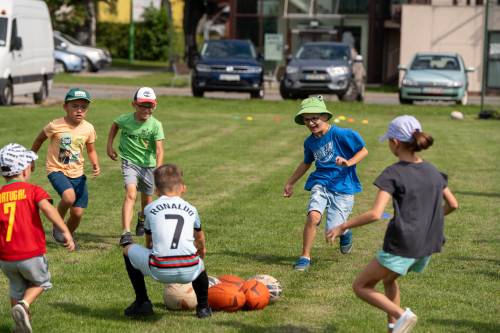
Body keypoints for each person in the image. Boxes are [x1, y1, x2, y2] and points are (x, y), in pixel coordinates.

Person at [326, 115, 458, 333]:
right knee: (389, 280)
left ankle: (400, 315)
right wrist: (432, 218)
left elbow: (376, 214)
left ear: (395, 143)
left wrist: (342, 226)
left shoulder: (393, 173)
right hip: (427, 244)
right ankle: (393, 328)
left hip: (403, 243)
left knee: (361, 286)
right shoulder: (433, 171)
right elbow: (453, 204)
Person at [283, 95, 368, 271]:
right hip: (321, 183)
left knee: (333, 230)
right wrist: (290, 182)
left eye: (315, 118)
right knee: (313, 217)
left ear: (325, 117)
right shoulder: (310, 142)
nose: (311, 123)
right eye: (307, 120)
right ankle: (305, 257)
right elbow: (307, 162)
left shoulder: (341, 134)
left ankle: (345, 231)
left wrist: (348, 162)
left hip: (343, 186)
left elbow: (363, 151)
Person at [0, 143, 75, 333]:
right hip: (30, 253)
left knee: (16, 289)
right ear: (25, 169)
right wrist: (64, 230)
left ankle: (21, 324)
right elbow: (48, 209)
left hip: (6, 257)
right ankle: (24, 305)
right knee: (41, 282)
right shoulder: (32, 190)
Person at [122, 163, 211, 319]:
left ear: (156, 191)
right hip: (190, 270)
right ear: (183, 188)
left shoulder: (149, 209)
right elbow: (200, 238)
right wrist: (201, 251)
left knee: (127, 250)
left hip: (159, 269)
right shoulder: (191, 209)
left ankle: (142, 302)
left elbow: (149, 243)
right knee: (200, 264)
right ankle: (203, 308)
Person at [31, 88, 100, 247]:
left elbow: (91, 149)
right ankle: (57, 223)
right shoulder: (55, 125)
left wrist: (95, 163)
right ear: (65, 107)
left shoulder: (88, 128)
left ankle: (66, 235)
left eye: (83, 107)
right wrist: (32, 157)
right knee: (68, 197)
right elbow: (39, 140)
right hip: (57, 169)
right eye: (75, 106)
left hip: (78, 174)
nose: (79, 110)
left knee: (77, 213)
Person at [107, 87, 164, 246]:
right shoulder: (125, 119)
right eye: (142, 105)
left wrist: (158, 170)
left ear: (155, 106)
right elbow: (115, 125)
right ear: (134, 104)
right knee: (131, 194)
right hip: (129, 162)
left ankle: (142, 218)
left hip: (149, 165)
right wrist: (109, 146)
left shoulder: (156, 125)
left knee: (147, 200)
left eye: (149, 106)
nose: (146, 109)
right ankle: (126, 233)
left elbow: (159, 150)